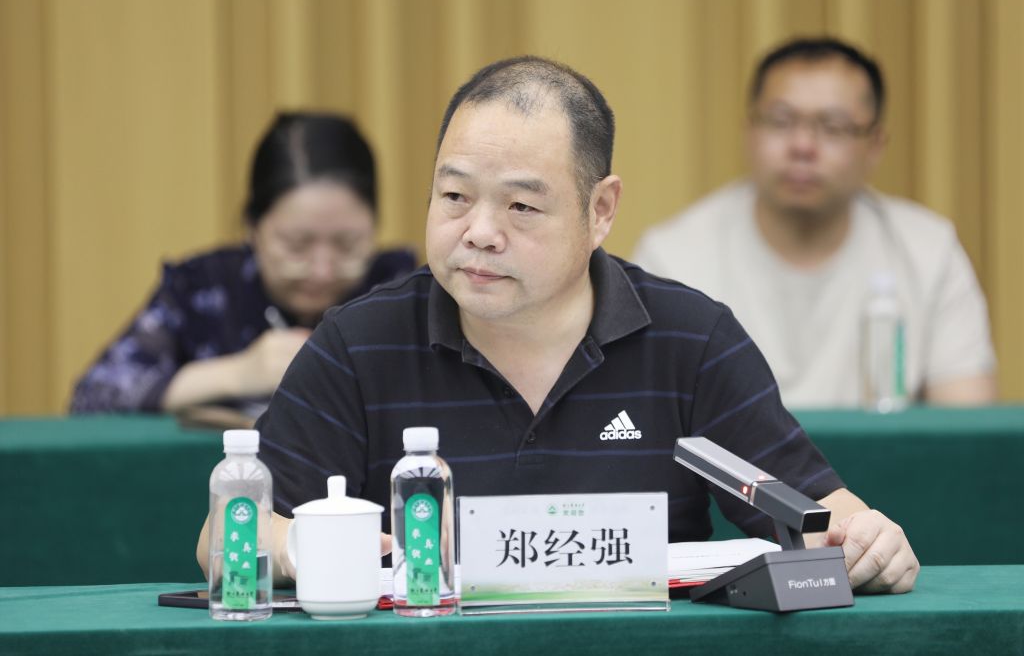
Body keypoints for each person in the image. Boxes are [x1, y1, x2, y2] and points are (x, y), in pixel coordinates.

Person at [198, 56, 919, 594]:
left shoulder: (691, 340)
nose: (479, 232)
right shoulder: (360, 344)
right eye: (454, 196)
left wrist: (867, 541)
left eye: (521, 206)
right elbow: (224, 540)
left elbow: (821, 518)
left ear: (600, 211)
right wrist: (308, 547)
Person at [634, 37, 997, 410]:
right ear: (749, 130)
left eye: (833, 126)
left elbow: (965, 427)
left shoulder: (929, 253)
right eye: (780, 121)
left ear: (875, 144)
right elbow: (645, 416)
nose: (803, 146)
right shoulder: (672, 258)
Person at [70, 112, 417, 418]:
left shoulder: (400, 288)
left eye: (347, 244)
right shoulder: (202, 287)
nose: (322, 270)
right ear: (253, 229)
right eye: (296, 245)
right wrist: (238, 374)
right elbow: (94, 396)